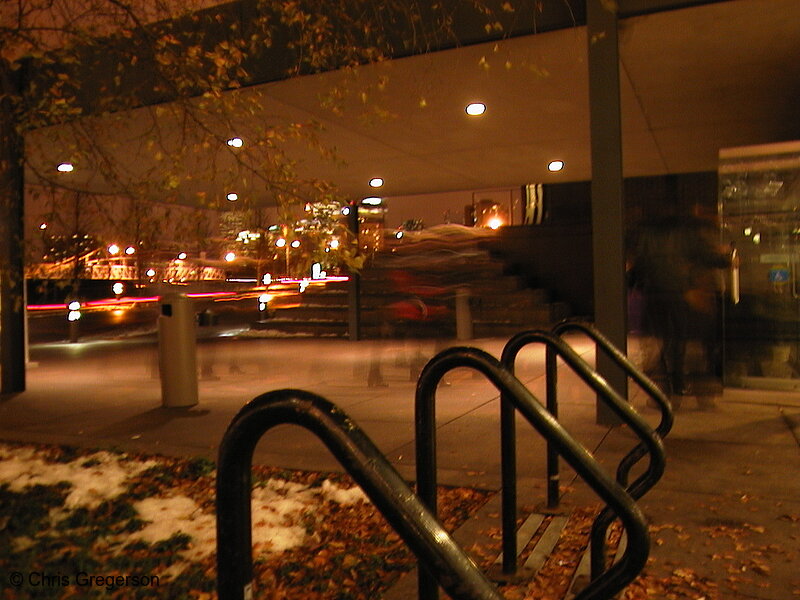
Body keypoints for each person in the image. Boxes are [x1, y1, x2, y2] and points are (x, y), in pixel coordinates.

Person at [629, 208, 730, 407]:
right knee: (682, 343)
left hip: (655, 295)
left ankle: (669, 390)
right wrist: (727, 258)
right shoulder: (684, 234)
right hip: (678, 294)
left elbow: (638, 267)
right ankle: (683, 387)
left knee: (666, 344)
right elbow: (704, 255)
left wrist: (635, 285)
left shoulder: (646, 237)